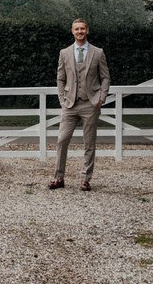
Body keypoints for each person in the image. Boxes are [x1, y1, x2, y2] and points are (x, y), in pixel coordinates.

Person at [49, 18, 110, 192]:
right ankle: (58, 177)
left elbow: (105, 77)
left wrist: (102, 97)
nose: (80, 31)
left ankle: (85, 179)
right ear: (72, 31)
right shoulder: (64, 53)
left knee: (89, 143)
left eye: (82, 29)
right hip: (70, 104)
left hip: (91, 104)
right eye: (77, 29)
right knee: (62, 140)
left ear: (87, 31)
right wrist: (62, 99)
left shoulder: (98, 52)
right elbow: (60, 78)